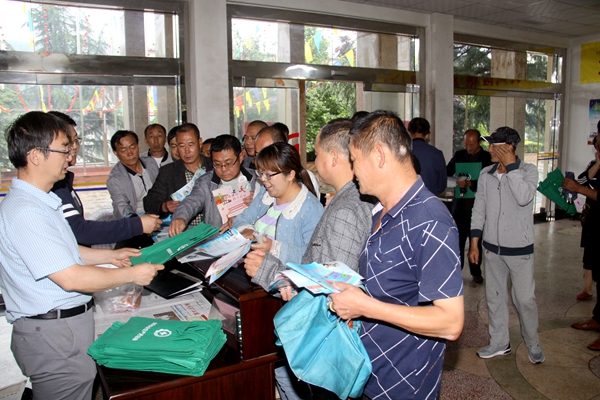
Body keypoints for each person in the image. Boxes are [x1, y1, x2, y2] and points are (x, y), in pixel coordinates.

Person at [0, 111, 164, 400]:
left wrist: (110, 258)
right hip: (53, 334)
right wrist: (131, 274)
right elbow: (71, 277)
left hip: (61, 328)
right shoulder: (27, 211)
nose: (70, 156)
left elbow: (65, 251)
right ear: (36, 156)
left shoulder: (41, 201)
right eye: (64, 148)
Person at [329, 110, 464, 400]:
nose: (353, 171)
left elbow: (451, 322)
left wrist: (366, 306)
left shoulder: (430, 220)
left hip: (402, 384)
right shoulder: (381, 210)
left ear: (379, 155)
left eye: (355, 160)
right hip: (370, 370)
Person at [245, 119, 374, 400]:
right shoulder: (347, 199)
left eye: (317, 152)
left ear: (333, 158)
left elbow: (332, 290)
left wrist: (267, 270)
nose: (313, 160)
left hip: (328, 339)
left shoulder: (345, 209)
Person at [468, 126, 545, 364]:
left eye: (495, 145)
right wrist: (474, 243)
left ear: (509, 148)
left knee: (525, 300)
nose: (489, 149)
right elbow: (479, 209)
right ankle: (500, 342)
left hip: (520, 251)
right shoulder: (486, 174)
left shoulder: (528, 171)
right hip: (492, 249)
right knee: (494, 298)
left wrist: (511, 168)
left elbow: (524, 197)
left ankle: (533, 343)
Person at [49, 112, 161, 246]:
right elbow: (80, 231)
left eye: (76, 141)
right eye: (67, 143)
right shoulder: (53, 187)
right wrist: (137, 224)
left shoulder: (150, 163)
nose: (74, 148)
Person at [233, 142, 322, 278]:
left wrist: (273, 247)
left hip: (281, 281)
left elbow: (313, 257)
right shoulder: (266, 194)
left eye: (269, 175)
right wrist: (247, 230)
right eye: (261, 173)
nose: (263, 179)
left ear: (290, 175)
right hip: (251, 270)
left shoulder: (310, 209)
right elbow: (242, 218)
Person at [169, 134, 257, 234]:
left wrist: (258, 200)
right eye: (217, 164)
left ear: (240, 157)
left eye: (228, 163)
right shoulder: (206, 182)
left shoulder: (257, 179)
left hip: (251, 238)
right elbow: (191, 202)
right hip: (218, 239)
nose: (223, 169)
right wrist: (180, 217)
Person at [446, 129, 492, 284]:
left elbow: (490, 182)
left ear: (479, 142)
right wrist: (455, 181)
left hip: (478, 207)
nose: (468, 147)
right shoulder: (459, 155)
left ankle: (476, 271)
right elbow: (448, 172)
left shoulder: (487, 158)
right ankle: (456, 271)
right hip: (460, 206)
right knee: (457, 240)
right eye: (466, 144)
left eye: (472, 144)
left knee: (475, 240)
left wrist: (471, 183)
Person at [144, 123, 212, 226]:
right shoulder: (168, 172)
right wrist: (164, 206)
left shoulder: (214, 166)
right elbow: (149, 202)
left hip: (213, 229)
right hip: (185, 231)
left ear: (200, 142)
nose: (187, 151)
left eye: (191, 145)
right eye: (181, 146)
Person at [564, 132, 600, 302]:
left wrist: (579, 189)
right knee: (589, 252)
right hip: (593, 216)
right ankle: (588, 288)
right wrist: (598, 164)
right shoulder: (594, 164)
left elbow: (581, 188)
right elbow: (581, 181)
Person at [107, 130, 159, 219]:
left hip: (159, 213)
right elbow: (120, 206)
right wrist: (136, 222)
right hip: (136, 218)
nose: (130, 153)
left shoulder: (150, 163)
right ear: (115, 152)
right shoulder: (115, 179)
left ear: (138, 146)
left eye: (132, 147)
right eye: (123, 150)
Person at [408, 117, 447, 195]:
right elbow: (441, 185)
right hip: (429, 198)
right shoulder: (436, 154)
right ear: (427, 135)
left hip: (406, 200)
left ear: (409, 133)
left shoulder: (401, 153)